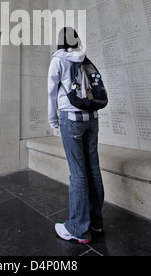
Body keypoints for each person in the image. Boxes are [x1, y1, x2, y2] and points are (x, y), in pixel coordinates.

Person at [47, 27, 104, 244]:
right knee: (93, 169)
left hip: (71, 119)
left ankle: (78, 228)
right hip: (92, 118)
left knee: (78, 173)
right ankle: (96, 223)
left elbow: (52, 93)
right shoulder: (85, 58)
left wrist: (53, 120)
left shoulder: (58, 60)